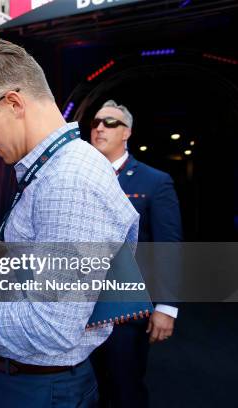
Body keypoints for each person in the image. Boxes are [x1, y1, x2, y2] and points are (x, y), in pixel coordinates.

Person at [0, 39, 139, 407]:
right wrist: (0, 255)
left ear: (13, 103)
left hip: (34, 388)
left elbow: (51, 328)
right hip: (19, 379)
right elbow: (57, 272)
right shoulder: (54, 169)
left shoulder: (69, 180)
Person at [90, 100, 182, 408]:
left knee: (123, 388)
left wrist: (167, 306)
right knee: (85, 389)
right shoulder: (79, 177)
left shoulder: (154, 182)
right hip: (79, 309)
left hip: (125, 313)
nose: (100, 127)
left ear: (127, 132)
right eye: (96, 122)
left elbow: (168, 247)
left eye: (110, 123)